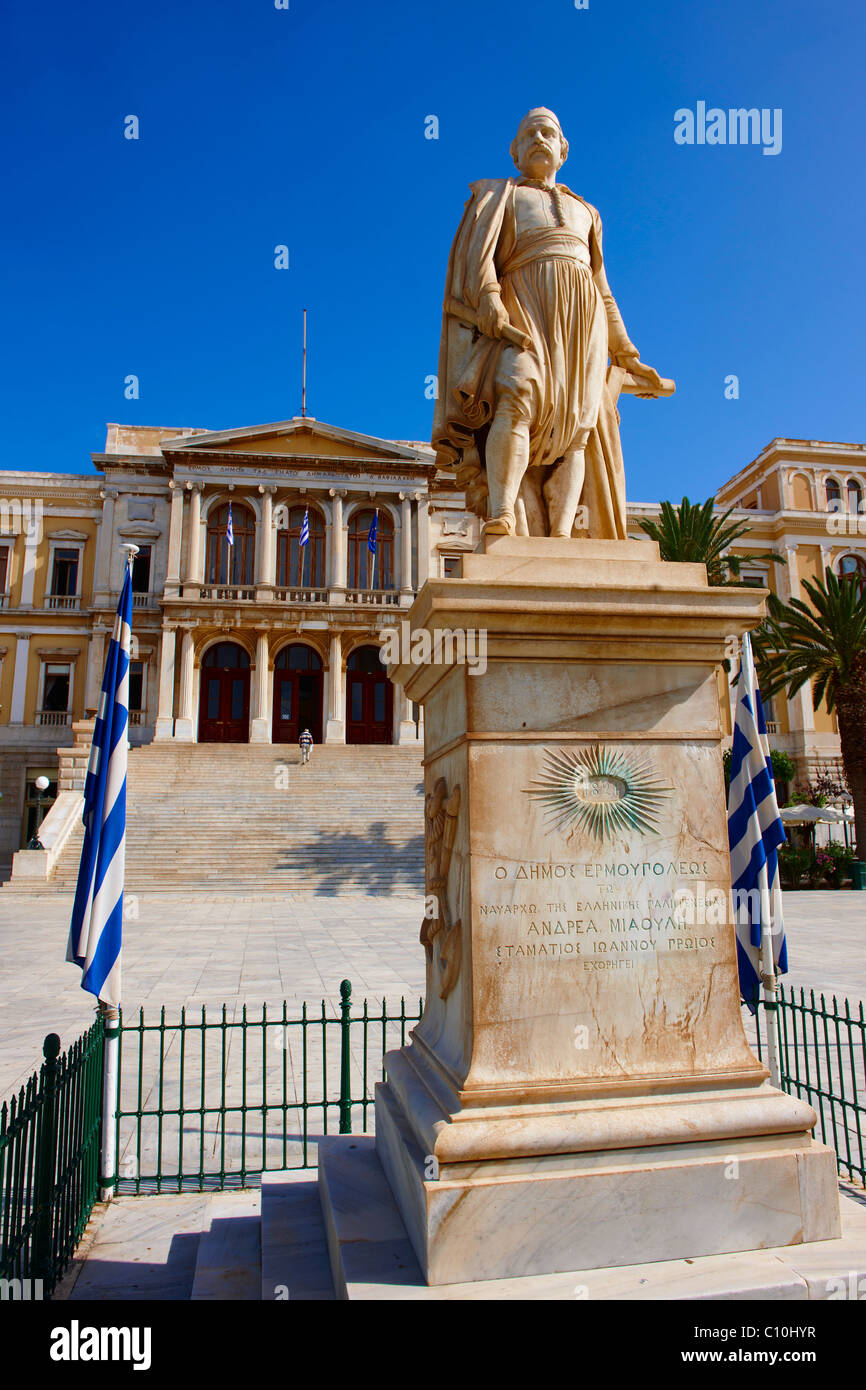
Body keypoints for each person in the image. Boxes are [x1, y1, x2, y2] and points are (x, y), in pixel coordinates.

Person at [432, 107, 671, 539]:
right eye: (530, 134)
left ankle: (561, 534)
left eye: (549, 133)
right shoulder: (498, 197)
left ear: (563, 149)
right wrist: (490, 301)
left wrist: (627, 353)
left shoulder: (587, 212)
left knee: (579, 426)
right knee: (516, 392)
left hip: (583, 327)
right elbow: (476, 260)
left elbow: (603, 288)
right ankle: (503, 513)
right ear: (515, 151)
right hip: (523, 307)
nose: (540, 138)